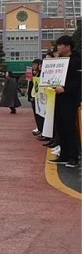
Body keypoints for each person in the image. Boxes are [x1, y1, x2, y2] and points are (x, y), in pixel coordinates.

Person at [48, 36, 81, 168]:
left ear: (68, 47)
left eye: (61, 45)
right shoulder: (60, 60)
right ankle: (64, 155)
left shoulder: (76, 61)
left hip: (70, 98)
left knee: (69, 127)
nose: (58, 48)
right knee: (60, 126)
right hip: (58, 97)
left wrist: (65, 88)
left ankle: (74, 157)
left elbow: (78, 81)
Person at [27, 59, 46, 139]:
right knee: (37, 114)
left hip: (39, 97)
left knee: (41, 114)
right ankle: (40, 128)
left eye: (36, 64)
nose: (34, 66)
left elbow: (38, 85)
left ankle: (42, 130)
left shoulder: (42, 73)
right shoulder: (35, 73)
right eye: (33, 64)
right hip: (33, 95)